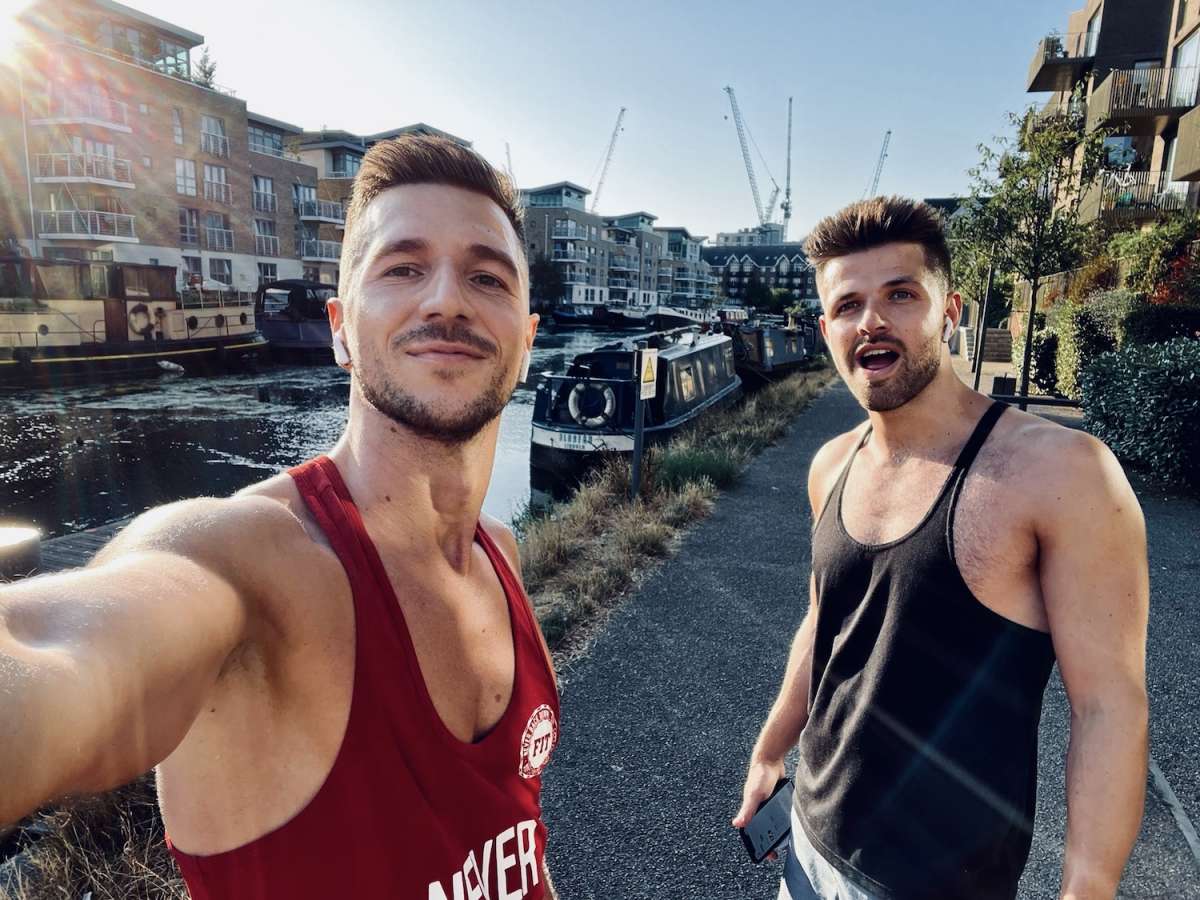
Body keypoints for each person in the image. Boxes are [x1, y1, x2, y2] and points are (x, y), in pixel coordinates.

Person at [0, 135, 560, 900]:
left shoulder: (503, 555)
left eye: (487, 277)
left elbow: (513, 841)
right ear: (339, 329)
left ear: (526, 344)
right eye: (402, 267)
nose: (446, 298)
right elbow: (52, 651)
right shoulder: (253, 562)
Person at [732, 197, 1149, 900]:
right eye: (847, 305)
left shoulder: (1063, 474)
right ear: (827, 328)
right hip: (808, 842)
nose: (871, 320)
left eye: (900, 295)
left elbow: (1109, 705)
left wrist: (1088, 886)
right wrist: (771, 749)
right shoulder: (831, 464)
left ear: (949, 310)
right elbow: (820, 626)